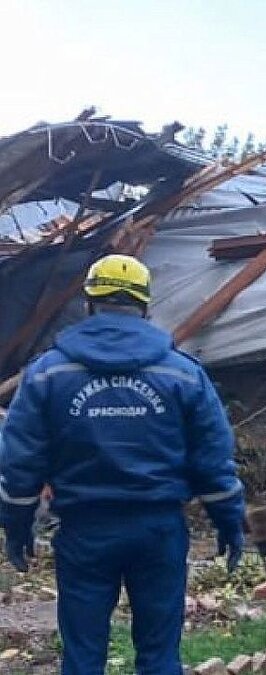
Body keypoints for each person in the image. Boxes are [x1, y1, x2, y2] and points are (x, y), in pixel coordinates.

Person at [0, 254, 245, 675]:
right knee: (159, 657)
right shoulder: (182, 374)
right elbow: (212, 460)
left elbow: (20, 463)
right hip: (158, 533)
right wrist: (228, 520)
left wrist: (17, 526)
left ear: (89, 304)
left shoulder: (47, 374)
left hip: (84, 534)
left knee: (82, 657)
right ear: (146, 306)